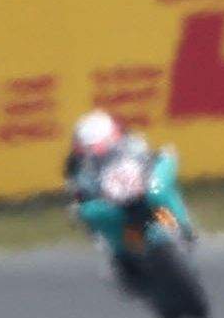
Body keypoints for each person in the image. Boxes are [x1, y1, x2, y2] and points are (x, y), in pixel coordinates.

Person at [64, 110, 199, 296]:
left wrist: (153, 171)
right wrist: (84, 205)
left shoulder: (133, 143)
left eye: (100, 142)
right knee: (98, 227)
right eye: (90, 145)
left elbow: (153, 159)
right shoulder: (78, 167)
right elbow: (79, 195)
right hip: (114, 208)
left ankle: (182, 228)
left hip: (142, 196)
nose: (97, 148)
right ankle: (118, 258)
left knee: (161, 201)